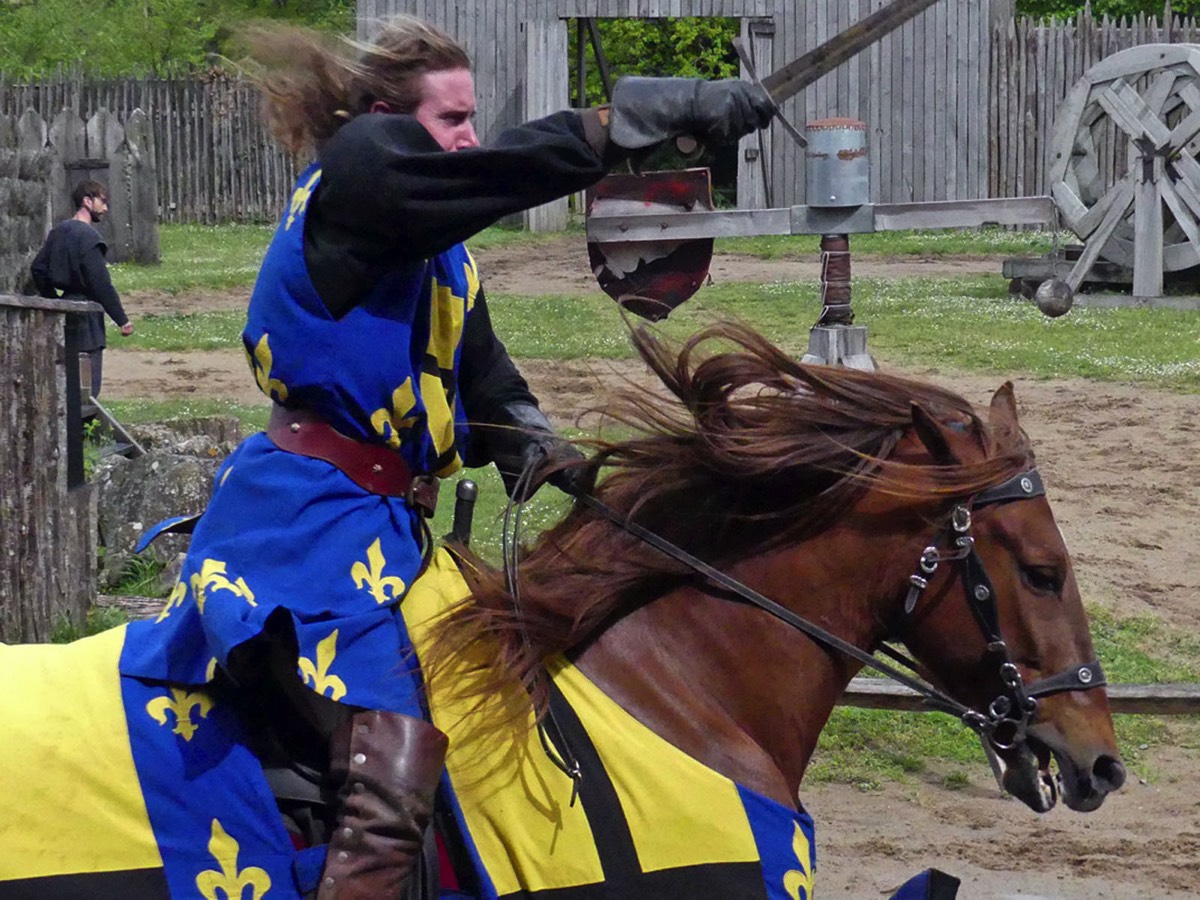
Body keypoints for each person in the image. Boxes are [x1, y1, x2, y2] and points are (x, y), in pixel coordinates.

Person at [121, 15, 772, 899]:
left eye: (471, 119)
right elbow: (492, 174)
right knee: (387, 739)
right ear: (389, 115)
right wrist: (633, 120)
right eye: (452, 119)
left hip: (391, 523)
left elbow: (483, 377)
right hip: (307, 518)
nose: (470, 139)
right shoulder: (358, 175)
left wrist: (554, 458)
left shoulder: (437, 250)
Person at [31, 180, 134, 398]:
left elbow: (38, 269)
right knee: (87, 391)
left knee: (64, 386)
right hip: (86, 318)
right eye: (102, 202)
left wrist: (55, 302)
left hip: (63, 314)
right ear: (87, 201)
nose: (105, 208)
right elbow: (100, 284)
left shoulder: (59, 231)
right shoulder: (89, 237)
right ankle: (84, 431)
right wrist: (122, 319)